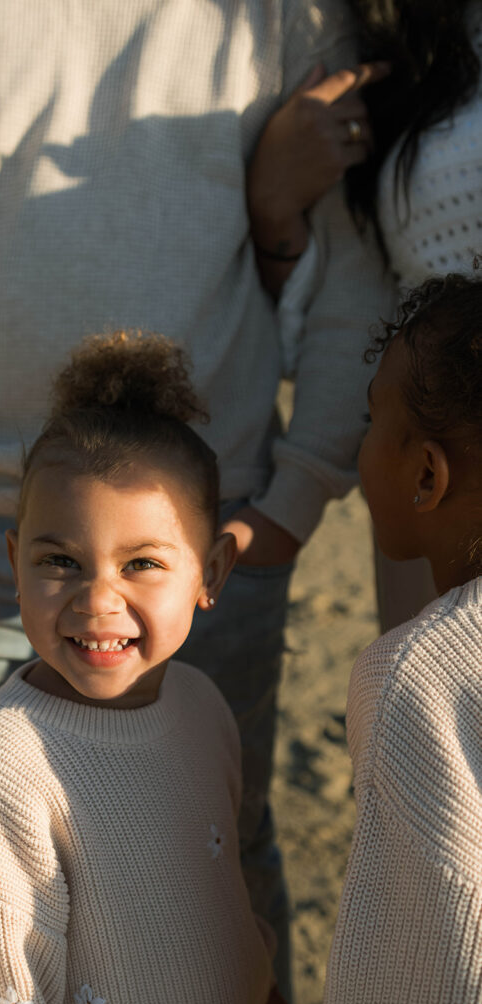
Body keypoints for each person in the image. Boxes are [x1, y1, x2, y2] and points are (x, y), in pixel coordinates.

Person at [0, 0, 391, 993]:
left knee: (222, 852)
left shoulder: (285, 15)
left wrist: (299, 489)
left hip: (217, 536)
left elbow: (346, 266)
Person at [0, 332, 292, 1004]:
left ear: (209, 575)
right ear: (13, 565)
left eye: (141, 564)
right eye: (59, 561)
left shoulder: (203, 708)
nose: (97, 601)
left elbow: (224, 898)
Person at [247, 0, 481, 630]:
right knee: (418, 704)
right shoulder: (400, 36)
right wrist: (273, 206)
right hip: (437, 477)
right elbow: (363, 306)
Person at [319, 273, 482, 1004]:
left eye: (369, 421)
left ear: (424, 474)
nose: (358, 451)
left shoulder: (415, 679)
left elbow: (419, 973)